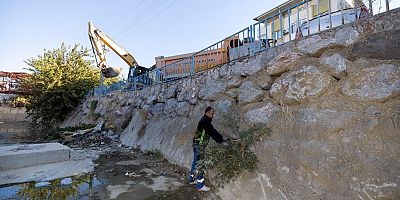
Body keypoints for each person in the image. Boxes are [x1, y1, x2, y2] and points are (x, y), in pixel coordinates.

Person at [188, 106, 229, 191]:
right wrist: (222, 141)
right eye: (211, 113)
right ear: (207, 113)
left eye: (213, 114)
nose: (212, 115)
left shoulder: (204, 120)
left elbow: (210, 130)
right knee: (201, 164)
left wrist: (221, 139)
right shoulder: (205, 121)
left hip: (196, 144)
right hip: (199, 146)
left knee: (196, 162)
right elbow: (212, 132)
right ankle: (200, 185)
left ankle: (191, 179)